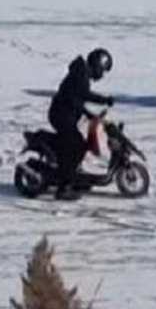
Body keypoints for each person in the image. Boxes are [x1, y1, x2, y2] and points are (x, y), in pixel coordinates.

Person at [48, 48, 114, 200]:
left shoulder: (82, 73)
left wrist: (93, 111)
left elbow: (79, 98)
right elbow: (82, 96)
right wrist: (101, 101)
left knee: (77, 143)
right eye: (102, 70)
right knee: (76, 146)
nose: (102, 75)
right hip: (61, 115)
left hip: (66, 114)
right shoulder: (80, 75)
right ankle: (63, 187)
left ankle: (74, 178)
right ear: (97, 65)